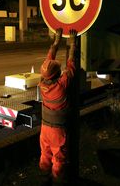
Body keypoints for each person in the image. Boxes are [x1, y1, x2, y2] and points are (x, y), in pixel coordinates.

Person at [39, 28, 77, 183]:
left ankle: (43, 176)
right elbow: (71, 66)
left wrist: (56, 41)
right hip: (57, 130)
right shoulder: (61, 85)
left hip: (44, 129)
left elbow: (49, 59)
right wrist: (73, 43)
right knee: (59, 157)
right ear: (56, 75)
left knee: (45, 153)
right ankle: (57, 179)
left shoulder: (42, 83)